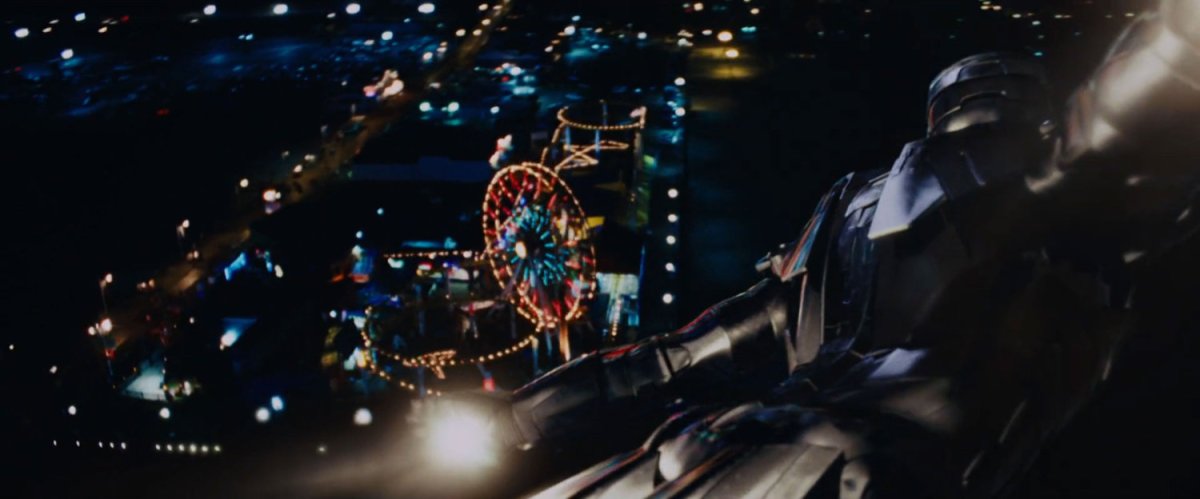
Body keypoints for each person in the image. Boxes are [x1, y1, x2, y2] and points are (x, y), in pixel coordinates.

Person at [425, 1, 1200, 496]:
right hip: (872, 469)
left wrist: (515, 421)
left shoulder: (850, 208)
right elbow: (1128, 123)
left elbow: (674, 357)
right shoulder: (1047, 190)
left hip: (704, 445)